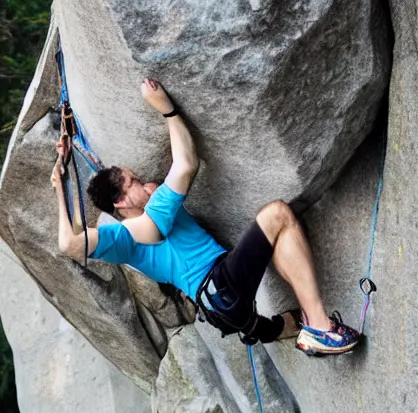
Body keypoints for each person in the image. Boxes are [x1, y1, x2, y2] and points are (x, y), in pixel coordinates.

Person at [50, 79, 360, 356]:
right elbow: (185, 164)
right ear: (122, 201)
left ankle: (275, 328)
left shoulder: (128, 242)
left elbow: (74, 235)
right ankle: (319, 327)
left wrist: (62, 179)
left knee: (279, 260)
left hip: (218, 307)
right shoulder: (131, 230)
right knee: (277, 214)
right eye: (135, 181)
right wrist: (166, 110)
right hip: (220, 286)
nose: (145, 182)